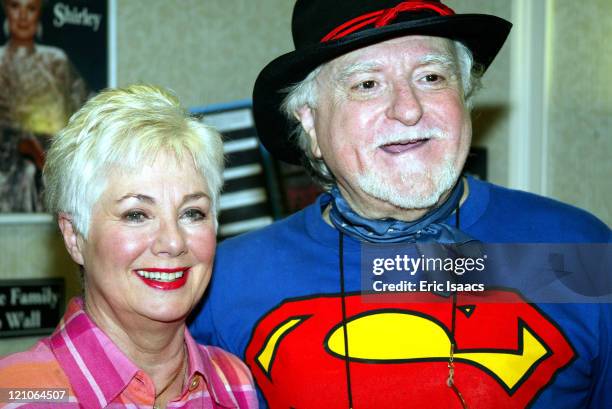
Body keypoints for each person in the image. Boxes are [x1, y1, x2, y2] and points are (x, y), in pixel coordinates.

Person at [189, 1, 611, 408]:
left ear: (465, 99)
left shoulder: (578, 251)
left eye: (431, 77)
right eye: (366, 84)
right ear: (311, 124)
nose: (408, 110)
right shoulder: (226, 282)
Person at [0, 85, 258, 409]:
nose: (173, 242)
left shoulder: (235, 383)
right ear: (74, 236)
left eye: (192, 213)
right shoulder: (15, 392)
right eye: (136, 215)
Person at [0, 0, 89, 212]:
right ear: (6, 11)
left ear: (39, 13)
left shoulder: (56, 62)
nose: (22, 16)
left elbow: (85, 115)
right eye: (15, 6)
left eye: (30, 8)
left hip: (52, 170)